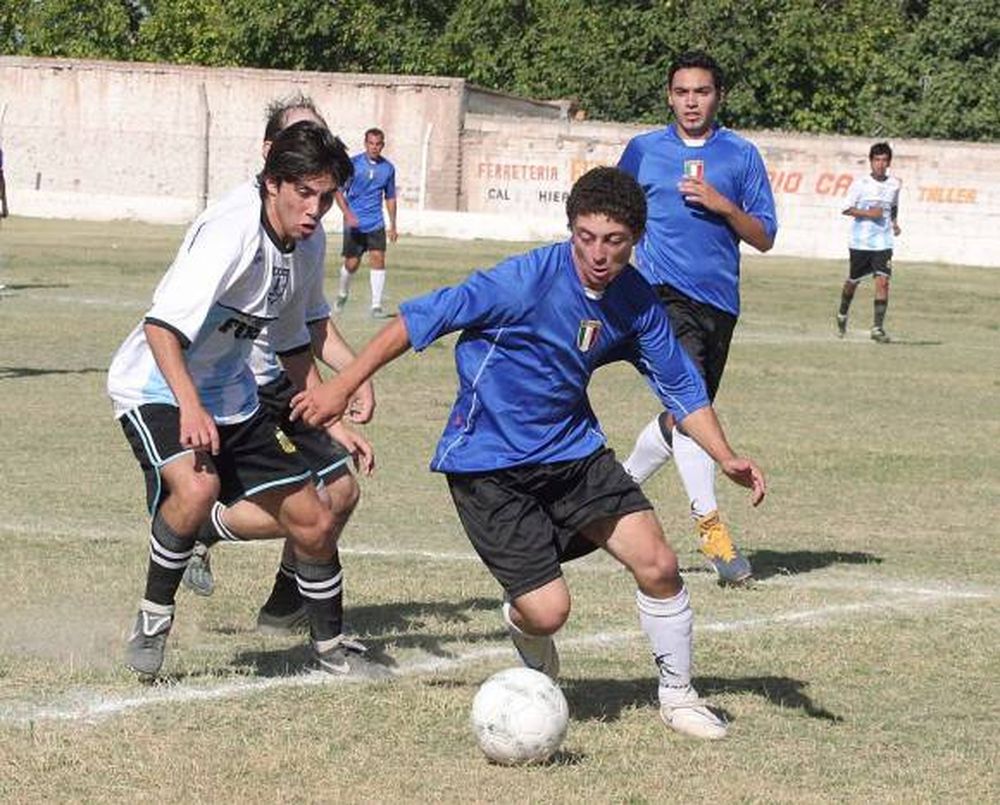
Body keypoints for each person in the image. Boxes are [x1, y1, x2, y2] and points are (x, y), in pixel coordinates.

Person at [290, 167, 766, 740]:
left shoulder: (637, 301)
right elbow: (418, 319)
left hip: (573, 453)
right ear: (570, 230)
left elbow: (682, 387)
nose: (597, 254)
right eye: (585, 237)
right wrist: (340, 387)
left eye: (613, 241)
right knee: (548, 613)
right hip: (488, 465)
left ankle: (679, 696)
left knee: (660, 564)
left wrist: (725, 454)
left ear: (635, 240)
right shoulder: (524, 280)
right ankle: (525, 624)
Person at [107, 120, 387, 680]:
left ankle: (330, 649)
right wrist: (189, 406)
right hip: (156, 384)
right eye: (303, 193)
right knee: (198, 483)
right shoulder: (231, 233)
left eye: (326, 197)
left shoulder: (303, 246)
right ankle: (154, 618)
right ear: (272, 184)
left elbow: (291, 344)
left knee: (315, 516)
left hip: (232, 394)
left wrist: (329, 412)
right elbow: (161, 328)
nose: (314, 209)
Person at [181, 95, 378, 648]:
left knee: (341, 494)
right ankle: (203, 526)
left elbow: (310, 321)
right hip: (246, 387)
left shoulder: (308, 222)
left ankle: (283, 603)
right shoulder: (236, 222)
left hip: (285, 380)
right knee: (321, 498)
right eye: (298, 141)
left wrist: (352, 377)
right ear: (271, 156)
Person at [616, 50, 777, 586]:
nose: (691, 101)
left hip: (719, 304)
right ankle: (710, 528)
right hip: (660, 297)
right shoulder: (643, 150)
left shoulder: (741, 155)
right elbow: (612, 209)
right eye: (682, 91)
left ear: (718, 97)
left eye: (701, 92)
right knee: (692, 407)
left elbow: (765, 237)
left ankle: (611, 491)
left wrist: (724, 205)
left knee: (686, 419)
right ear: (669, 96)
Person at [836, 142, 902, 343]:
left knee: (883, 281)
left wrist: (894, 223)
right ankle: (842, 313)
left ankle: (877, 328)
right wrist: (868, 214)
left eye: (884, 160)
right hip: (860, 242)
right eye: (877, 160)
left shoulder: (895, 184)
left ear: (889, 162)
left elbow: (893, 206)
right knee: (853, 281)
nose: (880, 164)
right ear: (871, 162)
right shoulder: (860, 184)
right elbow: (846, 209)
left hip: (883, 242)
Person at [335, 127, 397, 318]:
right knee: (352, 264)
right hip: (354, 223)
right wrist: (347, 214)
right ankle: (342, 294)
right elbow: (337, 191)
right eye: (371, 143)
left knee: (378, 258)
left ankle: (376, 306)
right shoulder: (353, 164)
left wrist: (393, 225)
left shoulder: (388, 168)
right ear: (365, 144)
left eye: (378, 144)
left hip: (375, 223)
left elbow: (390, 197)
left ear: (382, 145)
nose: (374, 147)